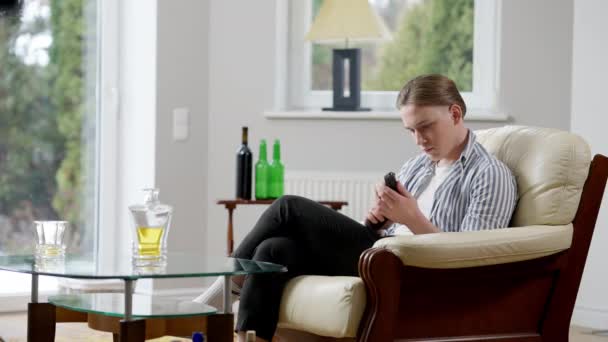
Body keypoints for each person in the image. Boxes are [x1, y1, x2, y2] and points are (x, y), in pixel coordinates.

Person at [194, 74, 518, 342]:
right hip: (382, 251)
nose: (419, 139)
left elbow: (474, 261)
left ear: (456, 114)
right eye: (411, 131)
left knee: (288, 207)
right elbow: (387, 229)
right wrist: (379, 219)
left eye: (426, 126)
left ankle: (214, 301)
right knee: (274, 249)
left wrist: (413, 219)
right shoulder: (420, 165)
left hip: (416, 271)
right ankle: (247, 338)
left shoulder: (489, 174)